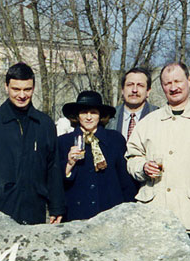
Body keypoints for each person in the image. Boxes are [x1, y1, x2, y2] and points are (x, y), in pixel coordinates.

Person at [125, 62, 190, 261]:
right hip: (155, 214)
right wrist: (142, 167)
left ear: (189, 81)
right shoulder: (150, 122)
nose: (174, 87)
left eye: (178, 81)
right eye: (167, 83)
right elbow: (131, 157)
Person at [0, 62, 65, 224]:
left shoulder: (44, 124)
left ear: (33, 88)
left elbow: (53, 168)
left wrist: (57, 206)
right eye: (16, 89)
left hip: (34, 209)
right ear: (6, 87)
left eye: (27, 89)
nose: (22, 95)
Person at [58, 90, 136, 220]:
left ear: (100, 115)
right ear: (77, 116)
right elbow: (57, 183)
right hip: (76, 213)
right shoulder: (63, 142)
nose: (89, 117)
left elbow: (125, 180)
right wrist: (69, 164)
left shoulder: (115, 139)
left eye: (93, 112)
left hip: (110, 213)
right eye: (84, 112)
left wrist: (130, 209)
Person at [109, 67, 158, 141]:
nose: (134, 90)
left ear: (148, 91)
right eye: (130, 85)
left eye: (140, 85)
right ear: (122, 90)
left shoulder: (158, 117)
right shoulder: (109, 117)